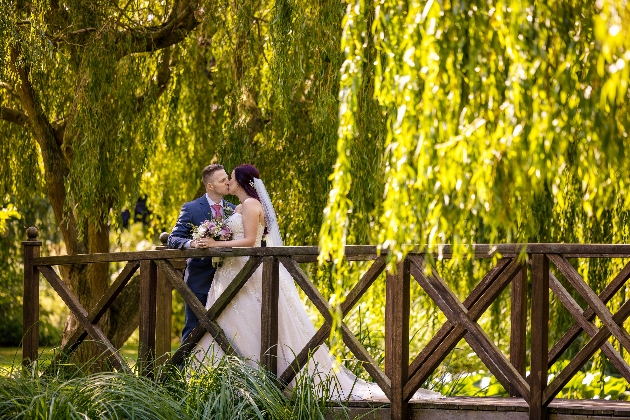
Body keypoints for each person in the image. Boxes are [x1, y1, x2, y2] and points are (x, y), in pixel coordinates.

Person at [191, 164, 441, 401]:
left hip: (248, 271)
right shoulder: (239, 208)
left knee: (250, 320)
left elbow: (248, 242)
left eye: (232, 177)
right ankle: (235, 382)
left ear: (242, 181)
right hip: (233, 273)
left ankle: (262, 380)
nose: (229, 182)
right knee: (234, 322)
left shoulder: (250, 206)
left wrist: (215, 244)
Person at [168, 164, 236, 343]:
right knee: (193, 328)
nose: (228, 182)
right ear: (210, 186)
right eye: (222, 180)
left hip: (229, 277)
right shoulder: (191, 208)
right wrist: (192, 243)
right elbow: (173, 239)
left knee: (226, 329)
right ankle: (181, 370)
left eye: (227, 177)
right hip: (199, 278)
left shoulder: (234, 209)